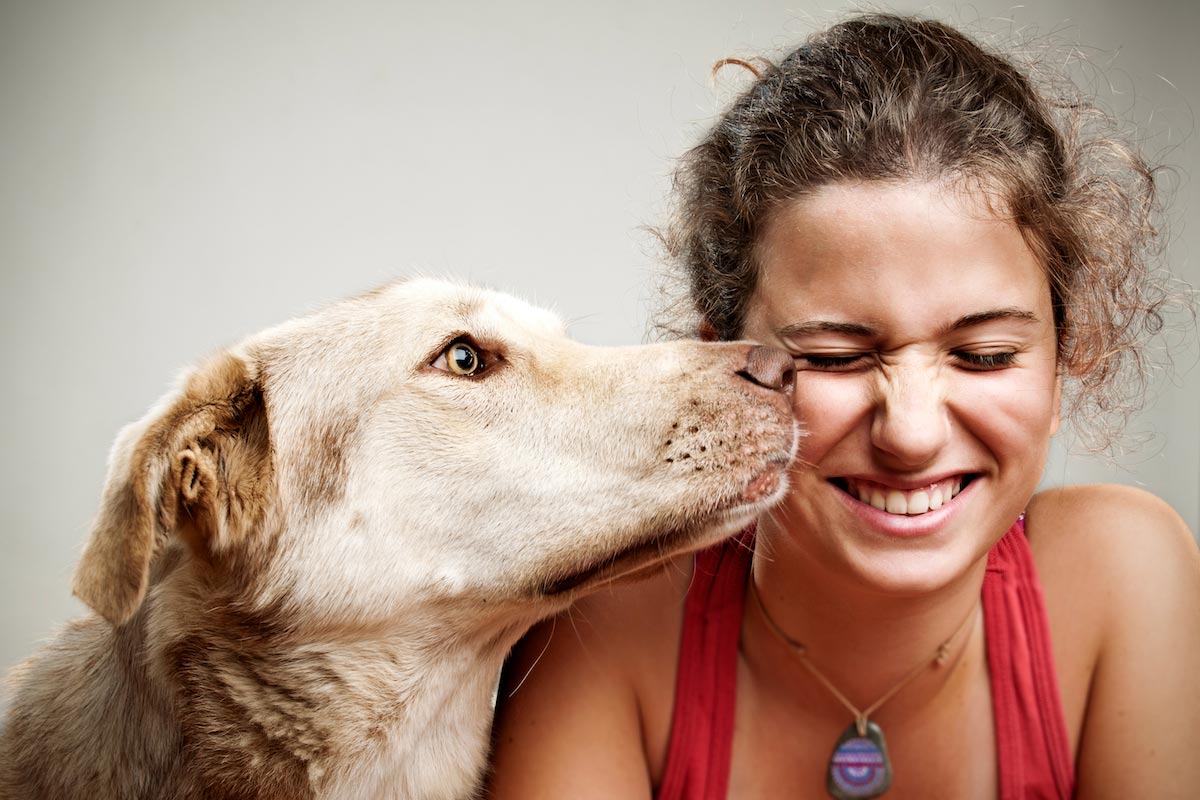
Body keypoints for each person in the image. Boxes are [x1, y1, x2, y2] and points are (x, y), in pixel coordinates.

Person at [486, 13, 1200, 799]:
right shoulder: (604, 619)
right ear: (726, 378)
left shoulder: (1125, 574)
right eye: (834, 358)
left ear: (1060, 369)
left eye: (985, 355)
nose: (912, 434)